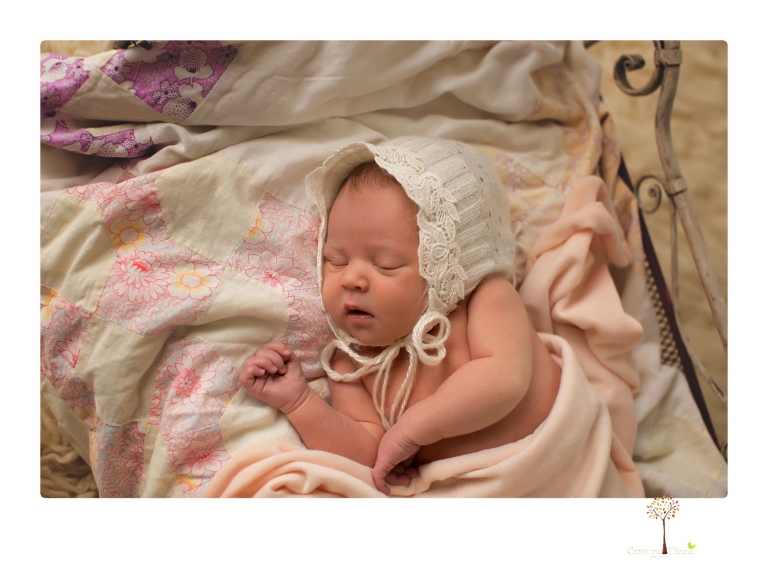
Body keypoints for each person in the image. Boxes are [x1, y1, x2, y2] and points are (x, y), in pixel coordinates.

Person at [239, 136, 562, 495]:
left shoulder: (483, 300)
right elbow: (369, 456)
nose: (352, 279)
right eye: (336, 260)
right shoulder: (353, 360)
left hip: (553, 465)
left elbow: (505, 379)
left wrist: (411, 431)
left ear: (449, 262)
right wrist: (298, 401)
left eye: (386, 264)